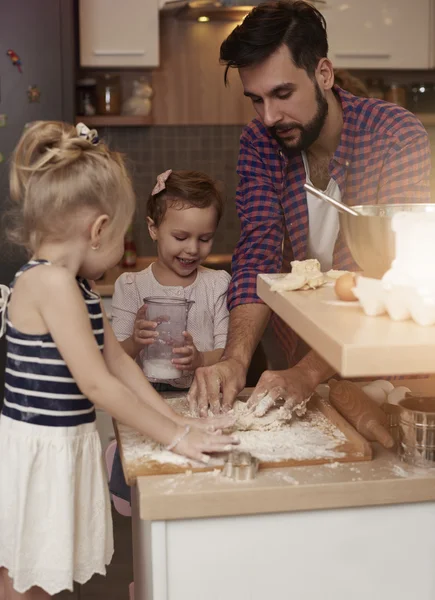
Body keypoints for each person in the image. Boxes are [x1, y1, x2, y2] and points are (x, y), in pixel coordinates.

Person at [0, 122, 238, 599]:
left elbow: (121, 364)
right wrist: (175, 437)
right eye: (121, 236)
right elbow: (97, 385)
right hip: (38, 452)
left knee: (48, 573)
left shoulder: (78, 287)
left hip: (63, 445)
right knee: (25, 577)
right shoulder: (48, 284)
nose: (121, 251)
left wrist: (177, 417)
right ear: (98, 230)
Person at [187, 0, 431, 417]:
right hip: (302, 362)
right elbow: (257, 256)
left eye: (282, 94)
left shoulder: (395, 136)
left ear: (323, 73)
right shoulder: (260, 142)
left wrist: (305, 373)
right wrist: (236, 360)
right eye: (256, 100)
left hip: (394, 377)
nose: (268, 117)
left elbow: (385, 276)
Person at [109, 169, 231, 501]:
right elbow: (115, 357)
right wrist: (135, 340)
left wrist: (200, 359)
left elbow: (228, 352)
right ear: (153, 229)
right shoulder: (132, 287)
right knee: (146, 486)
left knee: (194, 485)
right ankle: (117, 466)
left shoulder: (216, 284)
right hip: (147, 404)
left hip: (198, 402)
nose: (192, 249)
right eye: (181, 237)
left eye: (204, 239)